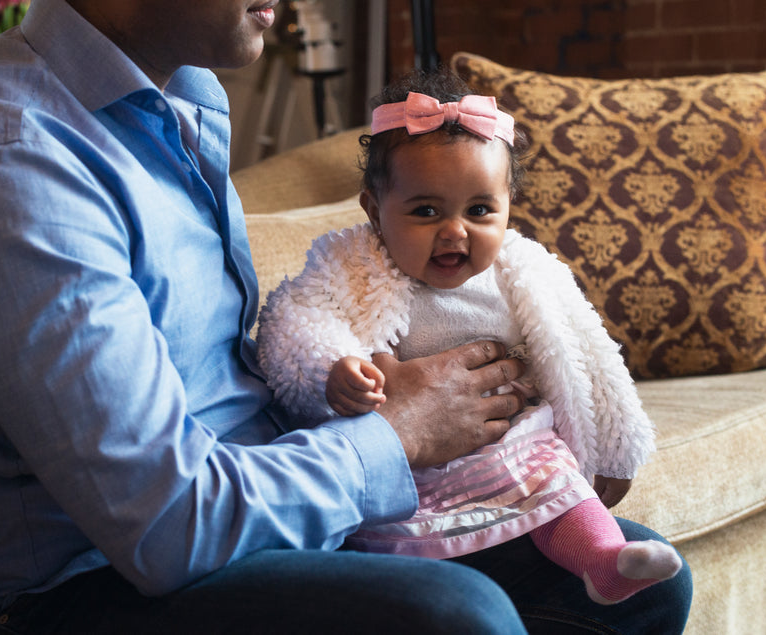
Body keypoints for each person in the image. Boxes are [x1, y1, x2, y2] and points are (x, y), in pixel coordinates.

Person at [0, 0, 691, 632]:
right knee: (454, 615)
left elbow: (240, 383)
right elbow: (165, 522)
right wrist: (399, 430)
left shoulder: (179, 102)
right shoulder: (11, 161)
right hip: (62, 594)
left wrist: (356, 389)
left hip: (231, 534)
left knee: (643, 589)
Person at [257, 68, 685, 606]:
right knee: (395, 539)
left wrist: (617, 449)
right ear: (373, 209)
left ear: (508, 206)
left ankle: (604, 562)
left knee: (559, 485)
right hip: (411, 469)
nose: (455, 230)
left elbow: (588, 351)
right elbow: (295, 321)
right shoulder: (351, 267)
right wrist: (333, 368)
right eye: (426, 211)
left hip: (516, 447)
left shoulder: (523, 271)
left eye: (480, 210)